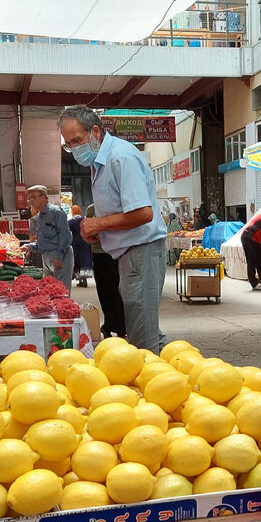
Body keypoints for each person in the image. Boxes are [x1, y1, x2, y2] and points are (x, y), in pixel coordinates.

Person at [58, 105, 168, 353]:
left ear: (95, 131)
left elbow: (143, 213)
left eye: (77, 140)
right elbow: (121, 208)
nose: (74, 149)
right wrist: (98, 228)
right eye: (68, 144)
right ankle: (178, 370)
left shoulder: (120, 158)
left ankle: (161, 386)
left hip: (142, 252)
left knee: (144, 339)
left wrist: (100, 223)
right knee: (142, 328)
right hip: (127, 255)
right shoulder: (99, 162)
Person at [85, 204, 127, 338]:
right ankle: (110, 324)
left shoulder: (116, 207)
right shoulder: (92, 209)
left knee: (117, 289)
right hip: (100, 253)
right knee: (104, 290)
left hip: (117, 252)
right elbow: (89, 231)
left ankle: (121, 325)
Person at [27, 185, 74, 291]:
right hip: (46, 257)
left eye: (33, 197)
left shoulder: (56, 212)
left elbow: (66, 236)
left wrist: (60, 256)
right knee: (49, 290)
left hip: (59, 256)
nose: (31, 201)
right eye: (29, 198)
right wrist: (30, 247)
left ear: (43, 197)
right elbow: (43, 241)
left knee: (62, 291)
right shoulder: (39, 217)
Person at [69, 205, 93, 288]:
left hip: (75, 241)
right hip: (85, 240)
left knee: (77, 258)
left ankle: (80, 279)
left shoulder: (71, 221)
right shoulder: (84, 220)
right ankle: (85, 277)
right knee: (85, 257)